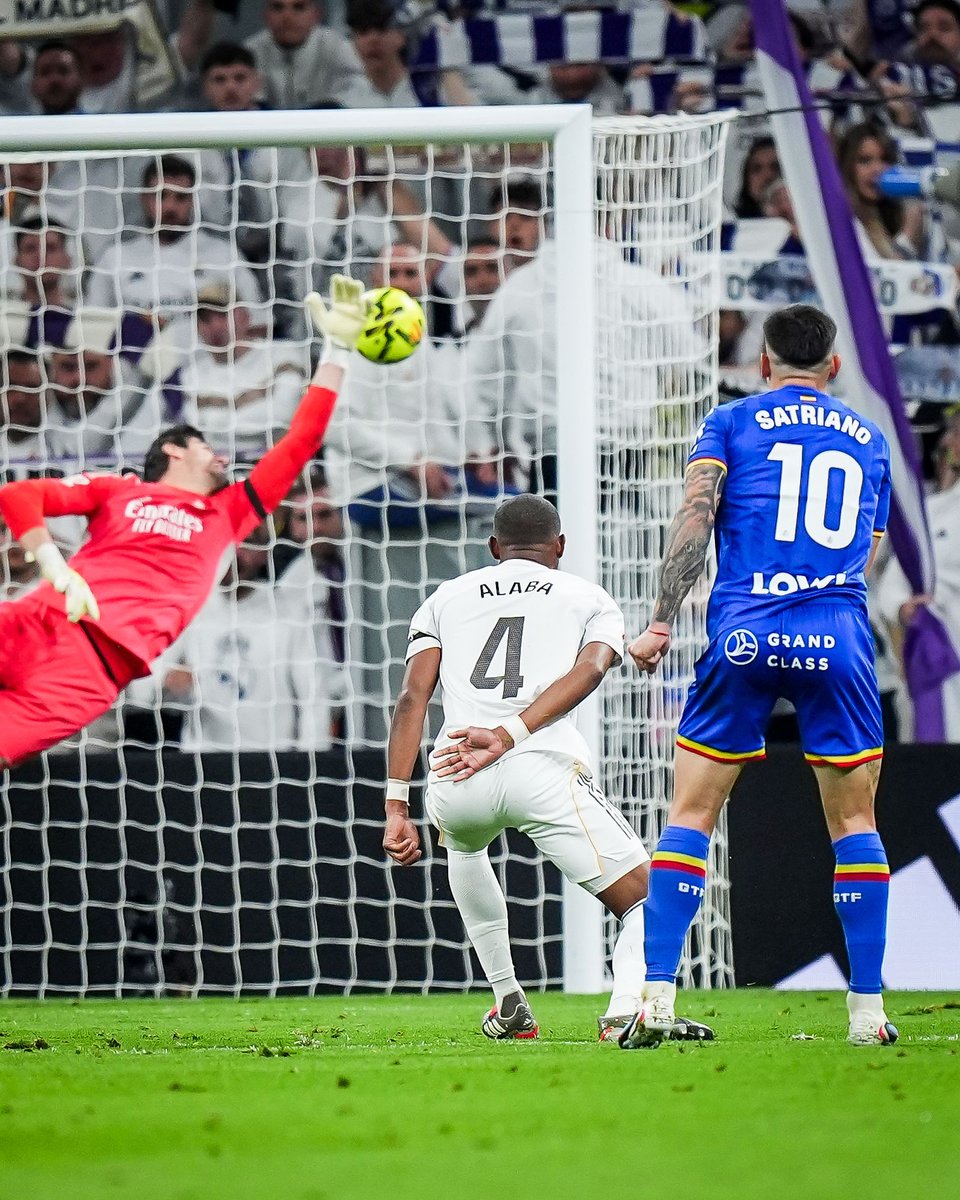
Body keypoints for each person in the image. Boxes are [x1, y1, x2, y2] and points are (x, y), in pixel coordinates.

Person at [620, 305, 897, 1050]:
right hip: (836, 636)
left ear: (764, 364)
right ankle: (866, 1015)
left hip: (745, 632)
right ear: (832, 367)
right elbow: (870, 550)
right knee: (854, 823)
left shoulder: (732, 422)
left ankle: (653, 999)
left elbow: (695, 519)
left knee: (691, 815)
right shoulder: (870, 438)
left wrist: (659, 621)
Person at [383, 493, 714, 1045]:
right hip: (538, 764)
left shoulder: (446, 597)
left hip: (455, 770)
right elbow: (591, 671)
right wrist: (512, 733)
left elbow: (411, 699)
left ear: (494, 548)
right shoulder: (588, 597)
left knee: (464, 849)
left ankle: (507, 1000)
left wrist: (396, 806)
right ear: (560, 546)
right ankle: (623, 1012)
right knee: (647, 898)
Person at [0, 276, 369, 769]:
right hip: (41, 620)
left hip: (96, 673)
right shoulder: (121, 490)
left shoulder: (229, 512)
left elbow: (301, 439)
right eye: (204, 446)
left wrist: (339, 350)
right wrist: (55, 567)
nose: (217, 455)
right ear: (173, 449)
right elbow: (19, 494)